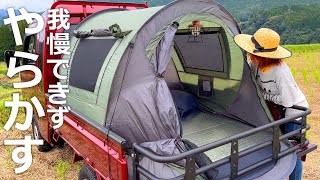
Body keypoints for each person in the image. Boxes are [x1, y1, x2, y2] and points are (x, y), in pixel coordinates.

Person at [234, 28, 308, 180]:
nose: (250, 55)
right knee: (276, 149)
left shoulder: (280, 71)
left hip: (294, 113)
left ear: (264, 56)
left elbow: (288, 101)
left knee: (292, 150)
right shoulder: (254, 64)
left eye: (253, 52)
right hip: (274, 111)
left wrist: (265, 96)